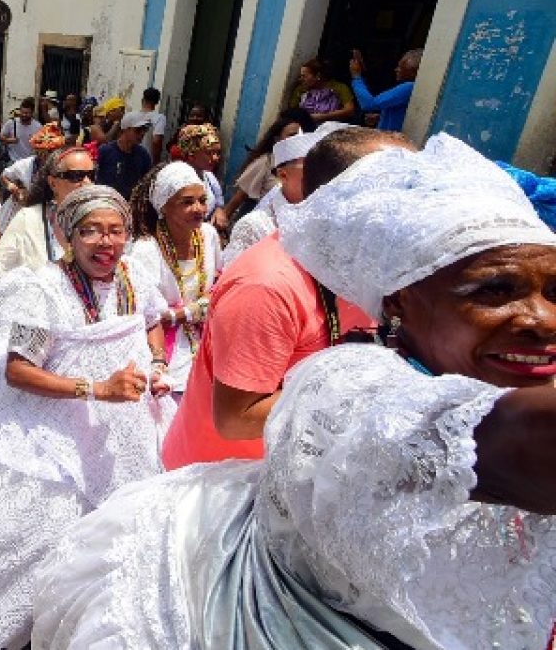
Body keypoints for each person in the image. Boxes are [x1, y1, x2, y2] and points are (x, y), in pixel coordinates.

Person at [32, 134, 556, 650]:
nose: (540, 319)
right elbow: (238, 412)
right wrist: (106, 381)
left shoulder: (364, 290)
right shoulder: (271, 288)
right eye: (496, 291)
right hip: (225, 485)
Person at [0, 185, 175, 650]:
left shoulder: (135, 276)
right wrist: (97, 390)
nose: (105, 243)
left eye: (115, 231)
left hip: (122, 420)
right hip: (48, 424)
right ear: (68, 238)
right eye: (91, 232)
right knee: (36, 528)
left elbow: (151, 321)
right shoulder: (41, 288)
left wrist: (158, 365)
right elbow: (18, 369)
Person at [160, 127, 399, 470]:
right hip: (223, 486)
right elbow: (236, 419)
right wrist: (357, 395)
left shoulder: (359, 266)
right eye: (401, 189)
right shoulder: (266, 286)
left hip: (292, 471)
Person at [128, 162, 222, 397]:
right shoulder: (146, 249)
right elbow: (146, 314)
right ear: (163, 207)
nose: (199, 208)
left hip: (209, 343)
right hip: (165, 352)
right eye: (187, 202)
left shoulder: (209, 236)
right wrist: (196, 309)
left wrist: (186, 312)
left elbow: (221, 283)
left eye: (202, 199)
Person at [0, 145, 96, 302]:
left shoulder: (104, 218)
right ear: (53, 183)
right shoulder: (29, 219)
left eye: (91, 175)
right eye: (76, 176)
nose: (87, 182)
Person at [221, 121, 345, 267]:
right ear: (283, 175)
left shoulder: (321, 219)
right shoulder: (255, 226)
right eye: (310, 170)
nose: (321, 178)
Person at [219, 107, 316, 224]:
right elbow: (239, 198)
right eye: (291, 136)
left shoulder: (305, 166)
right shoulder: (266, 162)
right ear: (277, 140)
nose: (295, 140)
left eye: (299, 137)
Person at [0, 122, 66, 231]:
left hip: (52, 214)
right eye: (42, 151)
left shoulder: (63, 167)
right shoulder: (25, 164)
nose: (46, 155)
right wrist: (12, 187)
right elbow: (4, 176)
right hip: (24, 211)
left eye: (50, 152)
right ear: (36, 150)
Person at [349, 48, 422, 132]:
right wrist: (381, 117)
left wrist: (356, 76)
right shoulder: (414, 88)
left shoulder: (409, 87)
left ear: (413, 72)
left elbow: (369, 104)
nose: (396, 70)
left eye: (401, 67)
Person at [176, 122, 227, 229]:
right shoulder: (179, 180)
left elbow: (219, 201)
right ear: (191, 155)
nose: (215, 158)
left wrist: (219, 210)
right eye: (209, 153)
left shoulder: (209, 176)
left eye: (217, 153)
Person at [95, 111, 152, 201]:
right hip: (105, 202)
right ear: (125, 129)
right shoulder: (105, 151)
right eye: (138, 130)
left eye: (144, 130)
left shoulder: (143, 155)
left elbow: (147, 183)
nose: (142, 133)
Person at [288, 58, 356, 123]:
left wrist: (324, 116)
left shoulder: (339, 88)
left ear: (318, 76)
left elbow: (350, 110)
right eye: (301, 76)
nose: (301, 79)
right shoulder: (301, 89)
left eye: (304, 76)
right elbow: (292, 110)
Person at [0, 97, 40, 164]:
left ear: (32, 113)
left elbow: (40, 145)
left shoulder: (38, 127)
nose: (24, 115)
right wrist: (8, 140)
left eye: (27, 113)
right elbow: (0, 136)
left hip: (29, 162)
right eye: (22, 112)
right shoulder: (11, 122)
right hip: (13, 160)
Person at [138, 87, 167, 160]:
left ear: (143, 100)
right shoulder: (159, 118)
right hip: (146, 160)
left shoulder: (131, 116)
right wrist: (156, 160)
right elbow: (156, 141)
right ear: (157, 102)